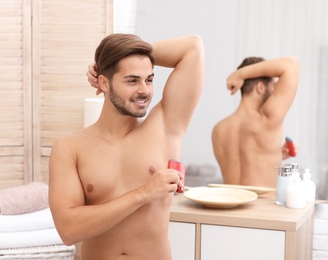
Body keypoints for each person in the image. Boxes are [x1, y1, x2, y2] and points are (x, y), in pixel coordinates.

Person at [48, 33, 204, 260]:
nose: (144, 90)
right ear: (103, 82)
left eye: (149, 80)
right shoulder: (70, 148)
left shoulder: (166, 126)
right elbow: (68, 230)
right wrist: (143, 194)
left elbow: (193, 48)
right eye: (132, 80)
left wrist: (126, 55)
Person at [212, 57, 299, 190]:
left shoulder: (218, 130)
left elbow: (244, 162)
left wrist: (275, 154)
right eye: (273, 86)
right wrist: (240, 74)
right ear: (260, 87)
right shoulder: (266, 118)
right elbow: (292, 64)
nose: (275, 90)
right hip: (261, 209)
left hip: (228, 206)